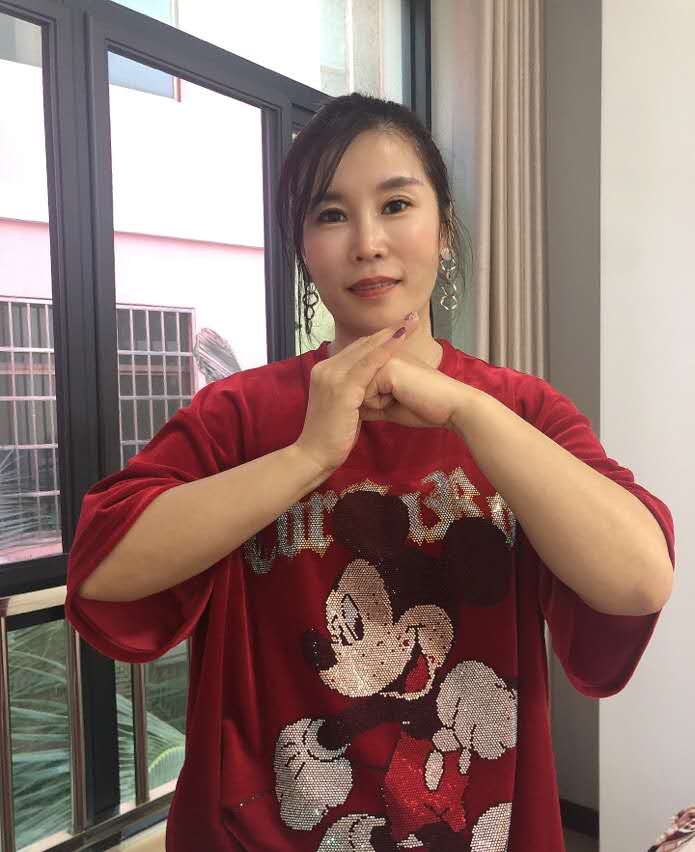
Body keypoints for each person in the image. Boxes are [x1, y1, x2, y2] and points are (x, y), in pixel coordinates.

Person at [65, 92, 676, 852]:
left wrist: (471, 412)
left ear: (442, 230)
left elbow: (638, 580)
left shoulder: (521, 409)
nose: (367, 243)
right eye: (330, 215)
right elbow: (105, 571)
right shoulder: (238, 415)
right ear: (302, 247)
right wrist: (306, 456)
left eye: (395, 205)